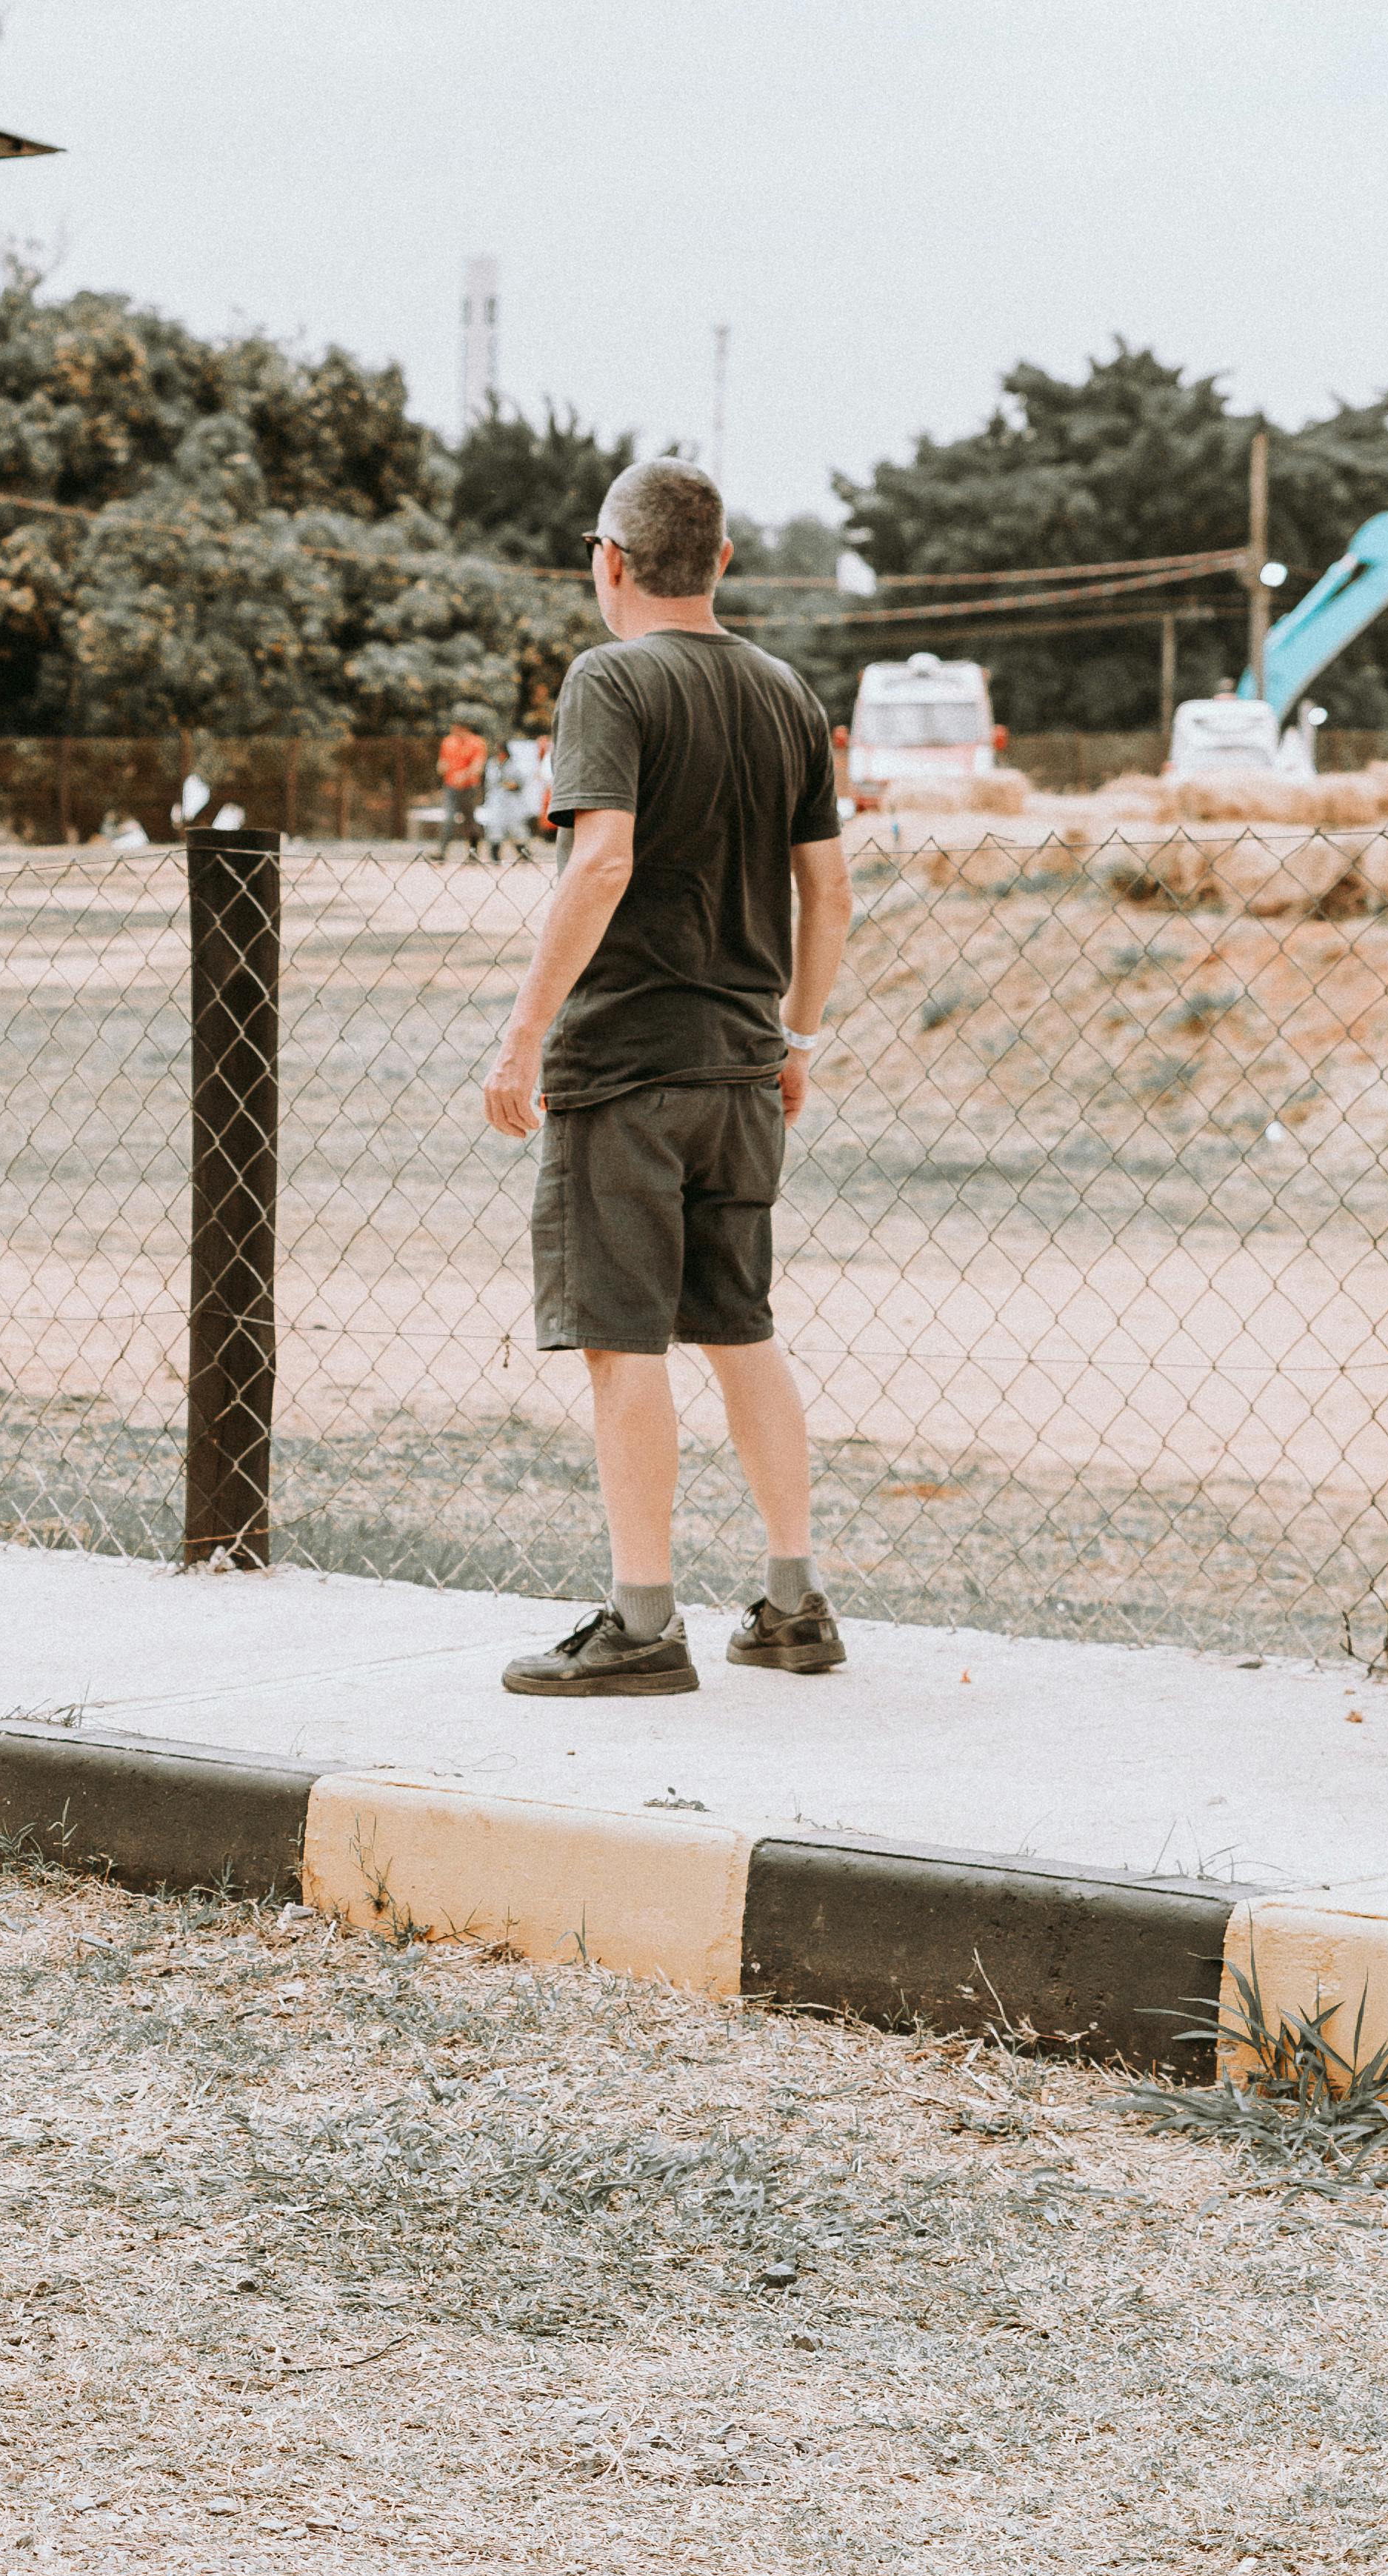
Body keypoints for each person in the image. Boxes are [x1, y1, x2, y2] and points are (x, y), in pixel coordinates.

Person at [478, 459, 847, 1696]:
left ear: (612, 561)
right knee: (740, 1328)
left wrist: (526, 1032)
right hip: (744, 1067)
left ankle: (642, 1622)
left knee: (622, 1341)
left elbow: (601, 866)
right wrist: (795, 1037)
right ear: (724, 562)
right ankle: (795, 1603)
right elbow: (827, 888)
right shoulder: (787, 691)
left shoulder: (611, 679)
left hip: (628, 1063)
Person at [437, 722, 488, 851]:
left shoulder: (477, 743)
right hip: (451, 786)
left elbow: (478, 766)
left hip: (469, 787)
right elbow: (443, 762)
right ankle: (442, 851)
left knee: (470, 821)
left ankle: (473, 852)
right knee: (449, 818)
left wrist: (464, 775)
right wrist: (442, 767)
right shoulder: (448, 742)